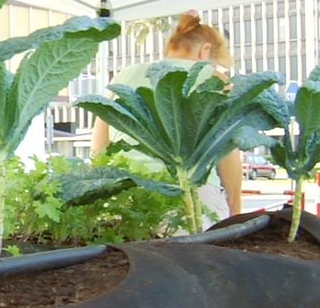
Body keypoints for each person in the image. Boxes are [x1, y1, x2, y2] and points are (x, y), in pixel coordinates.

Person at [90, 11, 242, 225]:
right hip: (192, 196)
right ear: (205, 50)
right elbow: (227, 152)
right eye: (215, 62)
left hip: (127, 194)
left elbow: (99, 151)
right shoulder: (215, 79)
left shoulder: (122, 76)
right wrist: (235, 213)